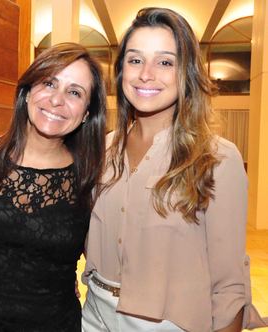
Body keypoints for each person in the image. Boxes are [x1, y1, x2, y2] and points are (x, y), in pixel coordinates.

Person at [82, 7, 268, 332]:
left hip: (167, 323)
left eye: (165, 62)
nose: (146, 74)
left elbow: (229, 283)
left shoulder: (218, 158)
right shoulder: (101, 149)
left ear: (187, 73)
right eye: (135, 60)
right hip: (93, 313)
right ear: (121, 70)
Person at [0, 42, 107, 331]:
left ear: (86, 113)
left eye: (74, 92)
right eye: (49, 83)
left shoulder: (91, 180)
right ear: (27, 91)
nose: (57, 100)